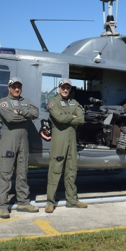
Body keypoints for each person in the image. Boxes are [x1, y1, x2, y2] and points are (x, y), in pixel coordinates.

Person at [0, 77, 40, 219]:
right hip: (9, 141)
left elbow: (36, 113)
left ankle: (23, 201)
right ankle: (3, 205)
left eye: (18, 86)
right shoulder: (3, 102)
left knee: (23, 171)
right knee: (5, 172)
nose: (16, 89)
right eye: (13, 86)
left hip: (23, 142)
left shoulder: (25, 101)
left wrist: (20, 112)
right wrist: (25, 115)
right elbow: (9, 118)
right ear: (9, 88)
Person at [45, 78, 86, 213]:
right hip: (59, 140)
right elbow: (59, 118)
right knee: (55, 169)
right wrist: (72, 117)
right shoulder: (53, 102)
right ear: (59, 87)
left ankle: (72, 200)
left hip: (71, 141)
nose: (65, 90)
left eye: (68, 88)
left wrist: (69, 117)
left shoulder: (74, 103)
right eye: (63, 87)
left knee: (71, 169)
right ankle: (50, 201)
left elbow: (81, 119)